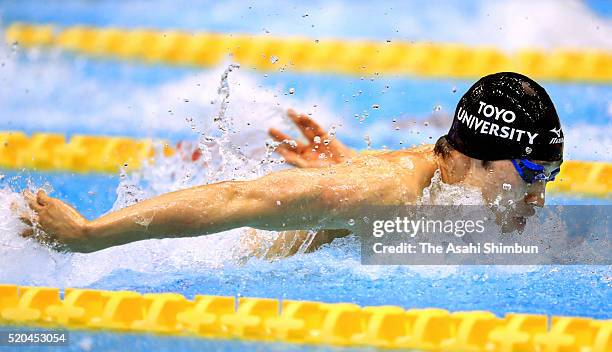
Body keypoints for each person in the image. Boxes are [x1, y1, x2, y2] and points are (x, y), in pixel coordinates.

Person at [20, 72, 563, 254]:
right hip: (226, 263)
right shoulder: (388, 193)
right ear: (475, 156)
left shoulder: (446, 168)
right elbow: (239, 199)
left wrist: (347, 163)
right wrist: (89, 234)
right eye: (531, 175)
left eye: (549, 177)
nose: (539, 198)